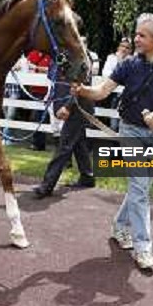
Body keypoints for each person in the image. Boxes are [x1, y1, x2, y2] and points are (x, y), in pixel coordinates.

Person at [72, 13, 153, 270]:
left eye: (142, 35)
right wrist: (83, 91)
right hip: (131, 131)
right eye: (136, 33)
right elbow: (102, 91)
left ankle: (119, 226)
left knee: (142, 189)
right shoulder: (127, 64)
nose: (135, 38)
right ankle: (143, 248)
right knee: (139, 188)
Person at [33, 46, 95, 198]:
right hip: (65, 104)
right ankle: (87, 177)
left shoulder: (80, 55)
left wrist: (68, 106)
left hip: (77, 107)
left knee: (64, 145)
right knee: (78, 143)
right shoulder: (60, 54)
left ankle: (47, 185)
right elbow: (55, 81)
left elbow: (79, 86)